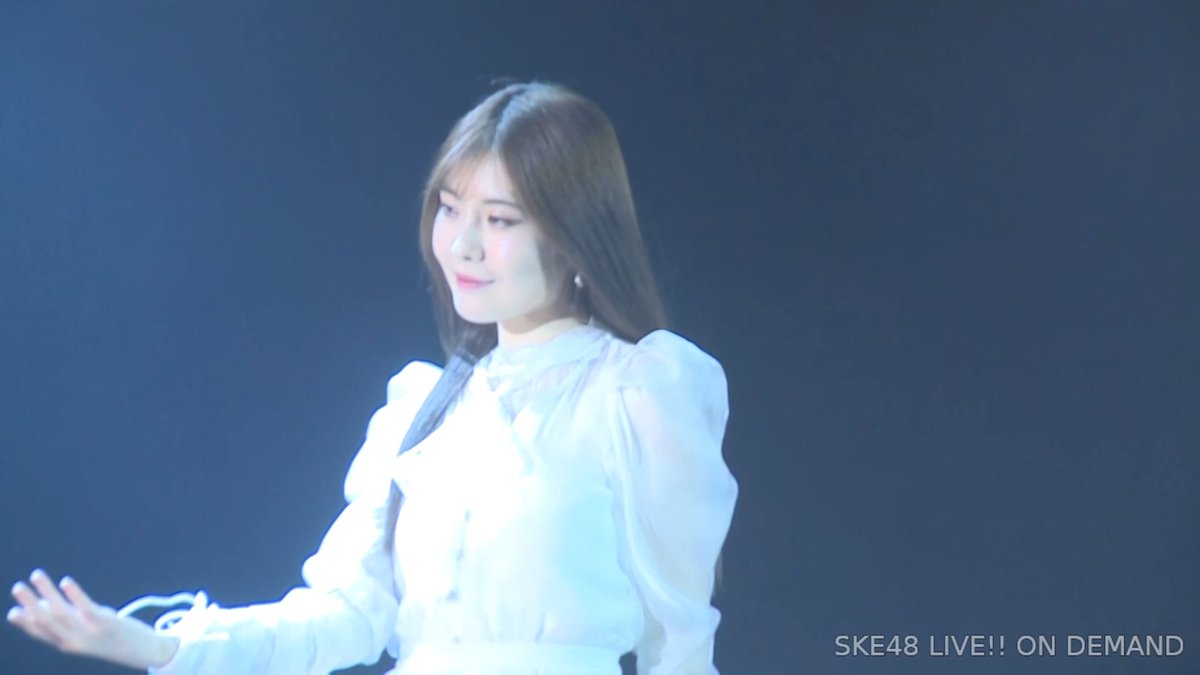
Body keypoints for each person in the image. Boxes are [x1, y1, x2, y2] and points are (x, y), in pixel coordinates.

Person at [7, 81, 738, 675]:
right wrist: (161, 647)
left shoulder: (641, 389)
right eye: (449, 209)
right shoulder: (422, 407)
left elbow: (679, 641)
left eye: (500, 220)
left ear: (575, 232)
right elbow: (345, 614)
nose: (463, 244)